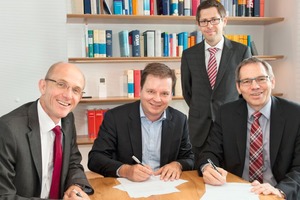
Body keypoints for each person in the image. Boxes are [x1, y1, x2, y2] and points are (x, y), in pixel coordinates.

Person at [198, 57, 300, 199]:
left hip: (275, 193)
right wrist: (207, 167)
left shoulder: (295, 115)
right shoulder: (226, 113)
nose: (255, 86)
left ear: (272, 81)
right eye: (246, 81)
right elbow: (209, 152)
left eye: (261, 79)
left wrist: (281, 191)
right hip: (236, 192)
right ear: (238, 87)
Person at [0, 62, 94, 199]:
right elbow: (3, 195)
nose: (68, 95)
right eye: (61, 84)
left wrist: (76, 187)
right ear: (43, 86)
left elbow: (73, 162)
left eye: (76, 90)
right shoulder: (8, 129)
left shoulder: (67, 119)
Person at [88, 62, 194, 182]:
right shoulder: (115, 117)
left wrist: (178, 165)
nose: (157, 99)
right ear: (140, 90)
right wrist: (126, 170)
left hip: (165, 185)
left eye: (164, 93)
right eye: (151, 92)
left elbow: (190, 158)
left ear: (171, 96)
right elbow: (95, 159)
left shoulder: (180, 120)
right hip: (126, 187)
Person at [180, 0, 251, 168]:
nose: (209, 25)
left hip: (232, 128)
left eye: (214, 20)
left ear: (224, 21)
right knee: (200, 178)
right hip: (199, 131)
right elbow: (187, 91)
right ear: (198, 24)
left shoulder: (241, 51)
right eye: (204, 21)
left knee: (232, 179)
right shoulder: (189, 54)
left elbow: (245, 90)